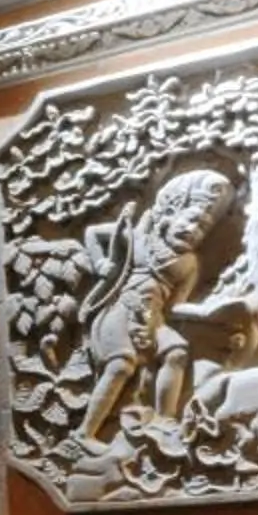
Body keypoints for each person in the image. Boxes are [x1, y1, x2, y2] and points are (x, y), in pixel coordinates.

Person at [75, 170, 236, 442]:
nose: (194, 231)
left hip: (154, 318)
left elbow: (175, 307)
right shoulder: (141, 237)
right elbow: (93, 233)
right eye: (192, 221)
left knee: (176, 352)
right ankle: (85, 433)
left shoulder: (189, 265)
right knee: (121, 365)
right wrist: (101, 263)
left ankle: (164, 420)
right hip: (121, 309)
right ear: (171, 214)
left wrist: (207, 313)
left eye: (203, 229)